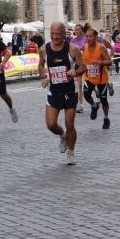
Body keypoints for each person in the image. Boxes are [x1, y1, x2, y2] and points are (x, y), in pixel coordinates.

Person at [39, 22, 86, 165]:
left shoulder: (73, 49)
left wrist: (75, 72)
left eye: (58, 34)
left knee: (69, 124)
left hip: (69, 91)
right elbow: (41, 65)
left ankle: (71, 152)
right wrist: (43, 78)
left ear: (64, 34)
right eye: (52, 34)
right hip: (53, 91)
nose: (54, 37)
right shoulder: (44, 49)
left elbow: (83, 67)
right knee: (51, 124)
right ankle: (62, 135)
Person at [82, 28, 112, 129]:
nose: (88, 38)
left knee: (104, 100)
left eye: (91, 36)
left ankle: (106, 118)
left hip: (101, 78)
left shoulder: (101, 48)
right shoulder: (85, 47)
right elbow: (82, 61)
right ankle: (94, 105)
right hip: (89, 77)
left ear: (96, 37)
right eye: (87, 36)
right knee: (86, 94)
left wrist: (100, 62)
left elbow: (109, 62)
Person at [70, 24, 88, 113]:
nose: (76, 31)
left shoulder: (86, 39)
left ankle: (97, 91)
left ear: (82, 30)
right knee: (79, 84)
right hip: (78, 64)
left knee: (91, 82)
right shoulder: (73, 41)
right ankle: (80, 105)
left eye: (78, 30)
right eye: (75, 30)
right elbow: (71, 53)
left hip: (88, 63)